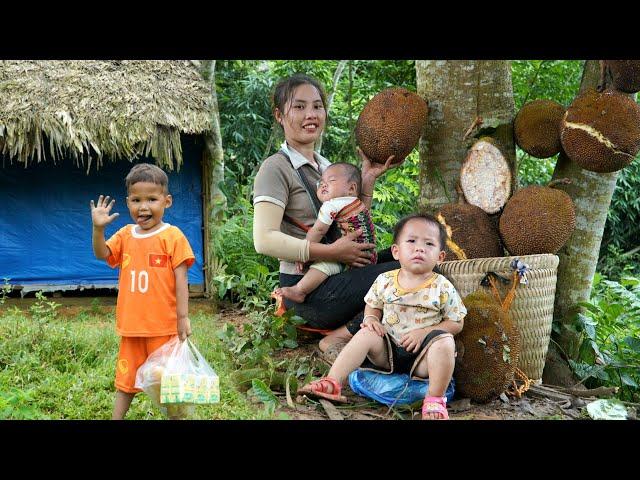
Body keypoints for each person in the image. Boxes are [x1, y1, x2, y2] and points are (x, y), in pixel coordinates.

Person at [253, 73, 401, 356]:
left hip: (337, 275)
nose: (311, 114)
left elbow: (349, 224)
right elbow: (264, 240)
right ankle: (338, 337)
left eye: (317, 106)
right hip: (308, 289)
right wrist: (332, 253)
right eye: (299, 107)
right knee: (403, 272)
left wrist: (366, 184)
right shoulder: (276, 168)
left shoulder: (327, 168)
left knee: (408, 258)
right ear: (279, 115)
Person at [297, 213, 467, 420]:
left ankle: (435, 400)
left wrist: (425, 333)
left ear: (440, 257)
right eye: (411, 241)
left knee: (445, 342)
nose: (419, 248)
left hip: (423, 358)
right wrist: (371, 319)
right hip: (387, 352)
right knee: (366, 333)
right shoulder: (385, 280)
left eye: (429, 244)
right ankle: (332, 382)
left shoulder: (442, 286)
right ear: (396, 251)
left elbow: (456, 322)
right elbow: (373, 306)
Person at [90, 163, 195, 420]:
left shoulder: (173, 237)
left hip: (163, 328)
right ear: (128, 203)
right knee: (125, 382)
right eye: (136, 200)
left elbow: (182, 281)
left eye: (152, 199)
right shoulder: (126, 235)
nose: (143, 206)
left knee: (167, 384)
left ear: (166, 201)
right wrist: (98, 229)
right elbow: (102, 253)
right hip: (132, 328)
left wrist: (183, 317)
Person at [272, 161, 377, 305]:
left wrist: (302, 253)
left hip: (351, 256)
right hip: (369, 256)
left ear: (352, 188)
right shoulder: (357, 202)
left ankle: (300, 290)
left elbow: (318, 230)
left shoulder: (331, 205)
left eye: (331, 180)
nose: (323, 184)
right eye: (320, 182)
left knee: (324, 265)